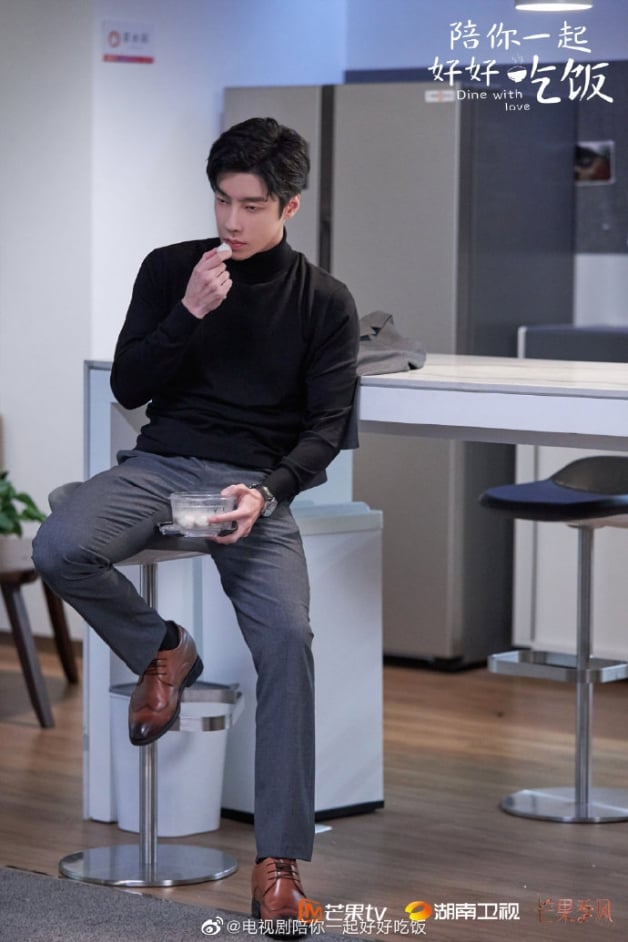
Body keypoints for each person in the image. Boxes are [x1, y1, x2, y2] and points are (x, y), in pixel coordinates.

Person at [32, 116, 359, 930]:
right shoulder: (173, 268)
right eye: (221, 201)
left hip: (254, 488)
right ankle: (165, 648)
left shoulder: (324, 302)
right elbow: (129, 388)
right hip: (161, 467)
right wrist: (187, 312)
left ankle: (278, 863)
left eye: (251, 206)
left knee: (287, 641)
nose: (231, 222)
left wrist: (268, 493)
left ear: (289, 206)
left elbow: (326, 429)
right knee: (60, 545)